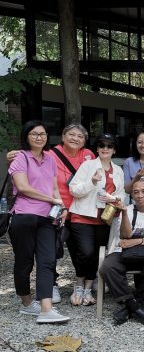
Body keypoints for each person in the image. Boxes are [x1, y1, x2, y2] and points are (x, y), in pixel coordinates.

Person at [9, 120, 70, 324]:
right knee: (24, 261)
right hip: (24, 216)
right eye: (34, 134)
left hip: (47, 218)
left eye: (43, 134)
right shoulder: (20, 158)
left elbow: (54, 189)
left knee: (47, 260)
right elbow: (23, 187)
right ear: (27, 137)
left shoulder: (51, 160)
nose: (39, 137)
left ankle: (46, 309)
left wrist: (60, 206)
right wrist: (51, 200)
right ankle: (27, 303)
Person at [98, 179, 144, 326]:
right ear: (132, 195)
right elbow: (125, 236)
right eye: (136, 192)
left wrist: (137, 241)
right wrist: (124, 213)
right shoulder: (129, 210)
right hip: (125, 249)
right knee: (107, 267)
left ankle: (131, 306)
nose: (140, 195)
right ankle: (134, 305)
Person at [67, 133, 126, 307]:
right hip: (83, 216)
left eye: (109, 146)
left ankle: (88, 287)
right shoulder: (88, 165)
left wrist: (113, 198)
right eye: (101, 145)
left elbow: (122, 193)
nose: (105, 149)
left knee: (96, 254)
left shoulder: (118, 170)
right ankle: (78, 284)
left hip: (105, 218)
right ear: (97, 149)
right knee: (85, 252)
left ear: (114, 150)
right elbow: (74, 190)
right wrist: (92, 183)